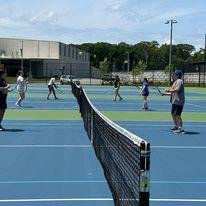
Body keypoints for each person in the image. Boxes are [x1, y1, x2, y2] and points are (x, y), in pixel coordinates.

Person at [165, 70, 185, 134]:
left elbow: (177, 89)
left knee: (177, 115)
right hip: (175, 101)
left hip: (179, 101)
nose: (173, 75)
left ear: (178, 75)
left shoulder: (179, 81)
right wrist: (165, 93)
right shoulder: (175, 82)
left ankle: (180, 129)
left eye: (174, 74)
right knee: (173, 114)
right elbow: (173, 93)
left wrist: (169, 90)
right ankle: (176, 126)